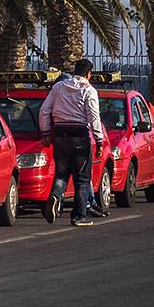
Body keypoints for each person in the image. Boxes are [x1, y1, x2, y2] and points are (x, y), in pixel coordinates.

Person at [39, 58, 107, 227]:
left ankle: (56, 195)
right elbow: (93, 117)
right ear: (89, 74)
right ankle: (79, 216)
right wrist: (99, 141)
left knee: (61, 173)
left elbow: (44, 110)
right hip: (80, 136)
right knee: (82, 178)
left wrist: (46, 132)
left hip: (60, 136)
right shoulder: (89, 91)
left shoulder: (58, 87)